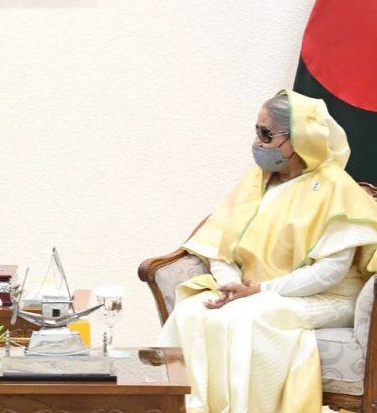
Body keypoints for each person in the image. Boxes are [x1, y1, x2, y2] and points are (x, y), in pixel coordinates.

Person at [158, 90, 377, 412]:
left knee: (247, 317)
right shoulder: (256, 183)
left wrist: (261, 290)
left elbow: (330, 273)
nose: (257, 142)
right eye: (257, 131)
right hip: (252, 291)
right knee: (192, 311)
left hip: (325, 297)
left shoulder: (335, 187)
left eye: (266, 134)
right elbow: (220, 249)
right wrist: (230, 286)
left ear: (298, 137)